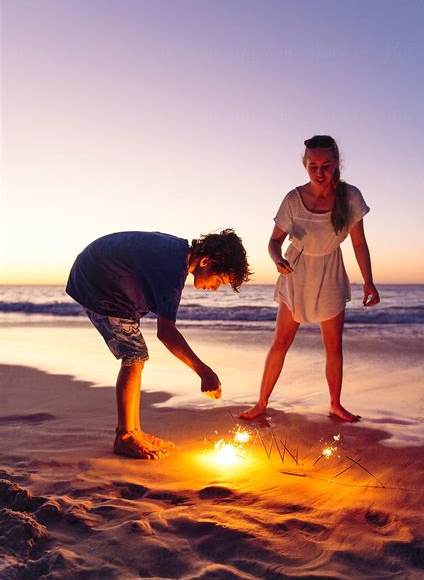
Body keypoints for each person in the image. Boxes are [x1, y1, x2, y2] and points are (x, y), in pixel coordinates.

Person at [66, 228, 251, 459]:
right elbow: (166, 333)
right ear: (206, 261)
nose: (215, 288)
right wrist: (204, 372)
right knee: (134, 355)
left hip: (98, 271)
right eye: (219, 281)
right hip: (95, 278)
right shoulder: (172, 271)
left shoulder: (178, 253)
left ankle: (133, 431)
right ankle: (125, 436)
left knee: (136, 354)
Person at [240, 135, 379, 424]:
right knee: (281, 341)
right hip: (297, 271)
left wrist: (368, 281)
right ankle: (261, 403)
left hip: (330, 271)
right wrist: (277, 260)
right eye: (313, 165)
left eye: (326, 165)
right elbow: (274, 242)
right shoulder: (293, 199)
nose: (319, 172)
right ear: (305, 165)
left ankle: (335, 405)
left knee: (334, 346)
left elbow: (359, 244)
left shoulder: (350, 196)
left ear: (336, 164)